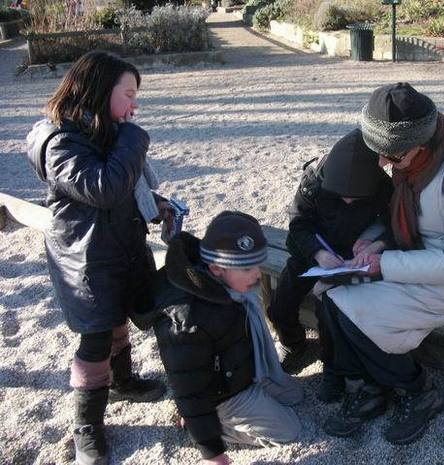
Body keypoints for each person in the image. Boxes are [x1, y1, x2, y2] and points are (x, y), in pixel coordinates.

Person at [320, 82, 444, 444]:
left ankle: (418, 390)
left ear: (421, 143)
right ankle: (371, 387)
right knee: (328, 296)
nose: (383, 164)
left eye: (393, 157)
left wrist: (383, 264)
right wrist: (374, 240)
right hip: (410, 254)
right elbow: (398, 216)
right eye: (381, 154)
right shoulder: (407, 158)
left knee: (355, 316)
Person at [26, 51, 169, 465]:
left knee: (119, 317)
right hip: (85, 257)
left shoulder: (103, 130)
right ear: (98, 91)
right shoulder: (62, 141)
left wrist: (155, 205)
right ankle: (86, 427)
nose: (134, 105)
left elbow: (123, 188)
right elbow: (102, 188)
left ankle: (123, 381)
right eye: (128, 94)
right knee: (95, 337)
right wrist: (133, 138)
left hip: (120, 245)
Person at [148, 211, 303, 465]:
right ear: (217, 268)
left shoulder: (235, 288)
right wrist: (212, 451)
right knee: (288, 430)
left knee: (296, 396)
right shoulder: (188, 323)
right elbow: (191, 390)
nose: (257, 275)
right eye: (248, 268)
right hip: (220, 395)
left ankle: (252, 393)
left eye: (258, 264)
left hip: (243, 372)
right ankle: (210, 424)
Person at [266, 128, 393, 401]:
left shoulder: (383, 187)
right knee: (280, 304)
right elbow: (298, 224)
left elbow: (395, 227)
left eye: (355, 197)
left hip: (349, 260)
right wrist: (318, 254)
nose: (348, 200)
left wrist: (375, 244)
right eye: (341, 195)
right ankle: (294, 343)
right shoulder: (314, 179)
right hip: (310, 254)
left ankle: (332, 369)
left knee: (329, 313)